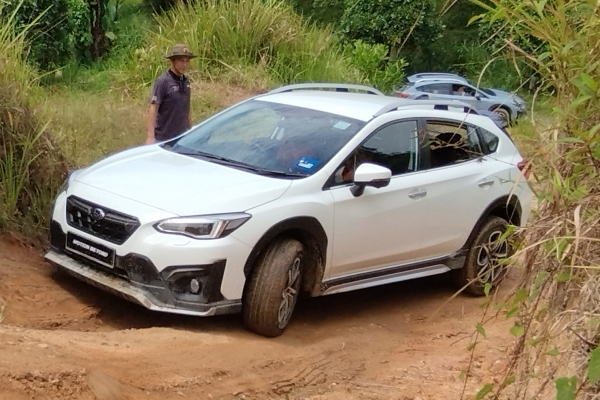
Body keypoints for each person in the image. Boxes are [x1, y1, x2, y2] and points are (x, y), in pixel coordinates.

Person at [146, 43, 196, 144]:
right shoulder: (163, 81)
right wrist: (150, 136)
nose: (185, 65)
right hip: (164, 138)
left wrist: (190, 130)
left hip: (182, 137)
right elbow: (153, 108)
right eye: (181, 61)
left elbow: (186, 108)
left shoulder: (186, 81)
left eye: (187, 61)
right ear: (173, 61)